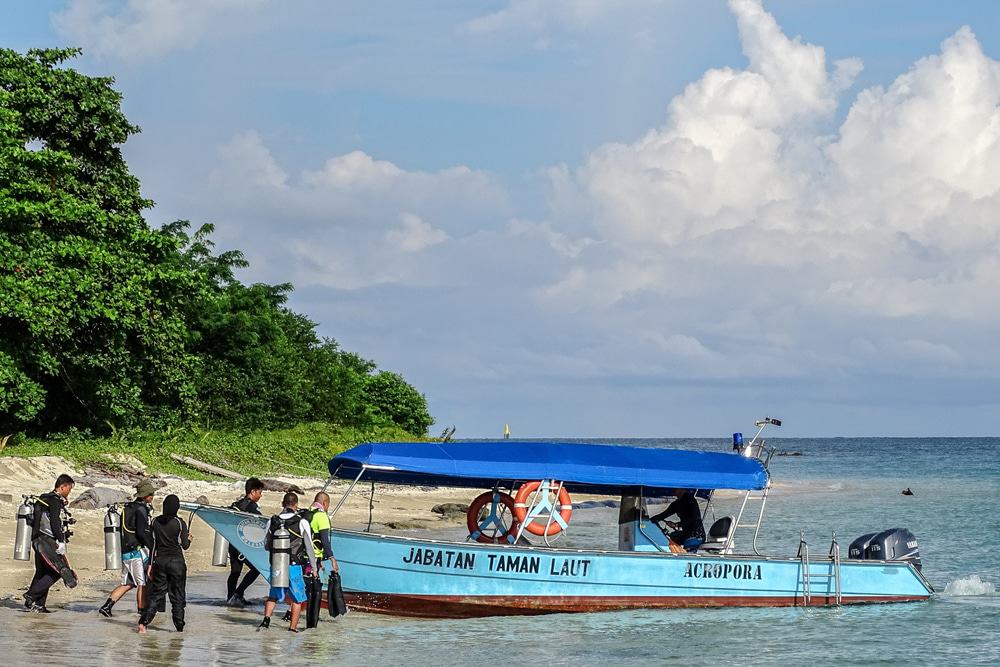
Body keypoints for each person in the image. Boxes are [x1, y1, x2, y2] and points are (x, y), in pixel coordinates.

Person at [258, 492, 316, 633]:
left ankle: (265, 622)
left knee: (273, 595)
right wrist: (314, 567)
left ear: (282, 504)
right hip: (294, 566)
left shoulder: (272, 521)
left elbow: (266, 545)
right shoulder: (302, 522)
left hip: (277, 564)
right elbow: (309, 547)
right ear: (296, 505)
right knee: (297, 598)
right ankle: (292, 629)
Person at [99, 479, 156, 618]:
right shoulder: (141, 509)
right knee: (142, 583)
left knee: (128, 583)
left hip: (125, 551)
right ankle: (141, 612)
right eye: (151, 494)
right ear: (145, 495)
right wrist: (153, 546)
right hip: (135, 552)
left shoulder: (128, 508)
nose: (153, 497)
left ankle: (106, 607)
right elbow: (142, 532)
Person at [138, 494, 193, 633]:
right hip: (177, 563)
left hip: (160, 562)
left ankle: (143, 624)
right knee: (178, 596)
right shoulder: (180, 522)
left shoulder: (155, 521)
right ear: (176, 507)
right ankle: (179, 628)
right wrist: (189, 538)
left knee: (156, 594)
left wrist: (150, 564)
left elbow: (153, 545)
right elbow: (185, 545)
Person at [24, 474, 76, 612]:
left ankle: (39, 605)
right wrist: (61, 541)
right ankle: (31, 595)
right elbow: (54, 522)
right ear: (63, 486)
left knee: (42, 572)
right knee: (60, 571)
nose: (69, 492)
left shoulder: (43, 498)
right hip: (47, 540)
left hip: (36, 539)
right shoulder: (54, 501)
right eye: (69, 489)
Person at [302, 492, 340, 628]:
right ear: (324, 504)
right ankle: (311, 622)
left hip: (304, 557)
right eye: (328, 505)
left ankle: (291, 614)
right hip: (313, 558)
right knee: (314, 590)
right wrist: (332, 558)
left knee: (306, 587)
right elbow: (324, 540)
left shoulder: (306, 514)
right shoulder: (322, 517)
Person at [227, 477, 266, 606]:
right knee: (256, 569)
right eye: (260, 492)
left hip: (232, 544)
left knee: (235, 572)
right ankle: (238, 593)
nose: (260, 496)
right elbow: (260, 523)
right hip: (243, 546)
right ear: (253, 491)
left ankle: (230, 598)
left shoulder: (237, 504)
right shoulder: (252, 506)